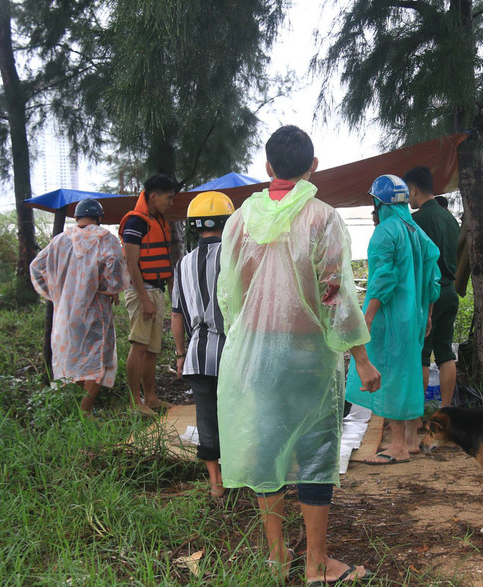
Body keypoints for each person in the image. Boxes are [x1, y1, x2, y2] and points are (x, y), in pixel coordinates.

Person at [216, 125, 380, 584]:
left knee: (266, 445)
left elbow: (230, 292)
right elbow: (336, 295)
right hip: (308, 353)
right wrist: (362, 359)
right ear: (314, 166)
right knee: (315, 451)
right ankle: (316, 565)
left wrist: (246, 341)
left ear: (267, 167)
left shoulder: (240, 220)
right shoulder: (321, 217)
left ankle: (275, 555)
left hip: (255, 352)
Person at [346, 174, 441, 464]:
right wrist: (427, 317)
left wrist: (368, 317)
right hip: (415, 316)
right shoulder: (416, 231)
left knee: (391, 374)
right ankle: (411, 440)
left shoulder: (385, 232)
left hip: (391, 317)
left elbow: (383, 280)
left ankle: (397, 446)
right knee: (409, 372)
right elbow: (433, 280)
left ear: (378, 201)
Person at [30, 198, 129, 416]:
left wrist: (56, 293)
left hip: (66, 313)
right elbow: (114, 266)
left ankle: (83, 406)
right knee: (98, 359)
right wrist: (109, 289)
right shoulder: (105, 239)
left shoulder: (60, 240)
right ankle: (85, 410)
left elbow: (36, 266)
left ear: (76, 217)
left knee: (76, 360)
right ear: (99, 218)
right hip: (95, 311)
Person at [171, 190, 233, 499]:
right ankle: (241, 476)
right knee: (238, 413)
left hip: (198, 355)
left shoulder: (182, 265)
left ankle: (215, 484)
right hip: (236, 353)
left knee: (206, 415)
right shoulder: (238, 256)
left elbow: (177, 315)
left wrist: (180, 355)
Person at [119, 173, 177, 415]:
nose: (170, 203)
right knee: (139, 345)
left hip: (156, 290)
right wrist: (144, 299)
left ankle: (151, 397)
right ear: (154, 196)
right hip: (141, 292)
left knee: (153, 348)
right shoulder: (136, 222)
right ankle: (135, 402)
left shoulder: (158, 220)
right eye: (168, 198)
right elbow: (132, 264)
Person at [405, 166, 460, 409]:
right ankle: (446, 409)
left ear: (414, 189)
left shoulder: (416, 220)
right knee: (445, 351)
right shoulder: (449, 218)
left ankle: (416, 413)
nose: (407, 198)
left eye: (407, 192)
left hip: (429, 294)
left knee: (422, 354)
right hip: (450, 290)